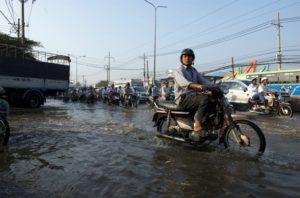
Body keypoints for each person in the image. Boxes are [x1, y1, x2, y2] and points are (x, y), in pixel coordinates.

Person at [173, 48, 217, 142]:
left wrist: (213, 86)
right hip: (183, 98)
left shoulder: (194, 71)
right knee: (205, 99)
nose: (187, 58)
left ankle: (206, 125)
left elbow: (203, 80)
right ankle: (197, 125)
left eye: (190, 56)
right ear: (181, 58)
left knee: (213, 99)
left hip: (193, 97)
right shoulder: (178, 70)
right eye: (185, 56)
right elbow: (183, 83)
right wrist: (196, 85)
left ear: (193, 59)